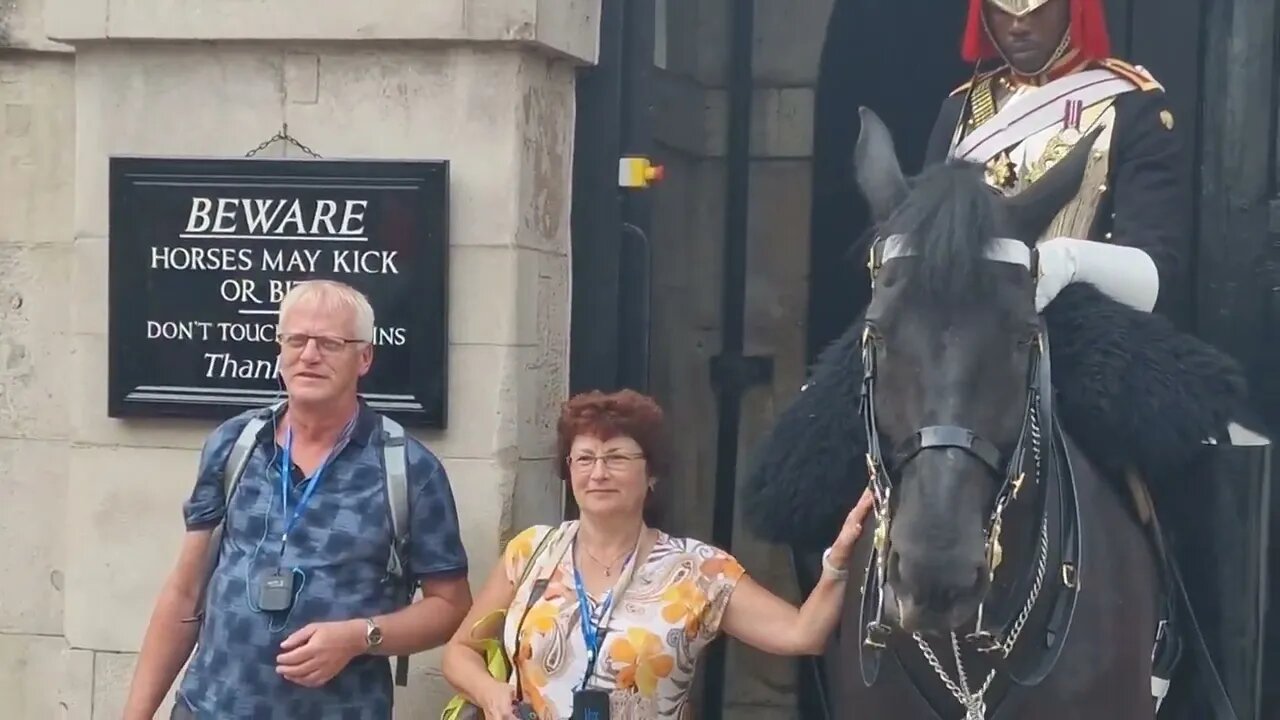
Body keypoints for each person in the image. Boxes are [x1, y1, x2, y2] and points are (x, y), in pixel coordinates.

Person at [123, 279, 473, 719]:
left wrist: (359, 636)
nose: (309, 355)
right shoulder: (234, 444)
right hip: (209, 709)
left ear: (364, 357)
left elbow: (451, 606)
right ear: (280, 350)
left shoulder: (409, 470)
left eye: (330, 342)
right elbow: (184, 594)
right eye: (296, 340)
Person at [441, 389, 875, 720]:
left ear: (652, 474)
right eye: (584, 458)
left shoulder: (698, 571)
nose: (598, 473)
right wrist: (489, 691)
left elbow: (803, 634)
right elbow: (459, 652)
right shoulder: (532, 551)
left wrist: (839, 559)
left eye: (616, 457)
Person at [923, 0, 1190, 318]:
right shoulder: (961, 108)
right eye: (1002, 7)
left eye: (1037, 6)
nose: (1018, 24)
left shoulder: (1131, 106)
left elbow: (1156, 274)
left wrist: (1068, 261)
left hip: (1083, 329)